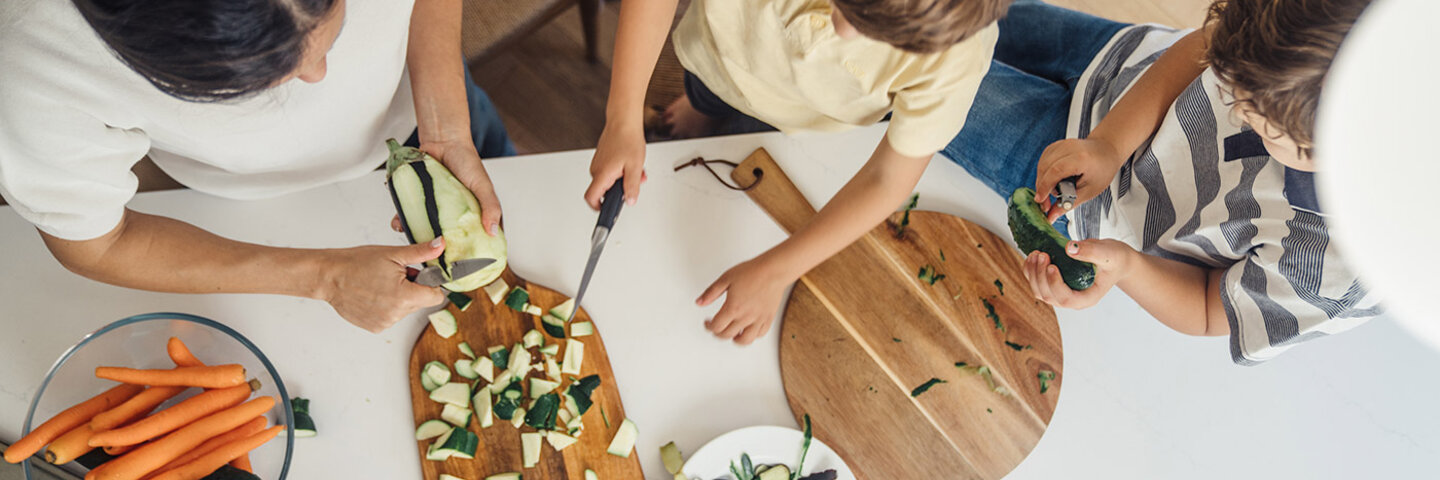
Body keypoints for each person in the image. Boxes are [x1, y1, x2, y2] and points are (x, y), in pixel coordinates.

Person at [0, 0, 513, 333]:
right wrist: (325, 277)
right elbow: (99, 243)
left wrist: (446, 129)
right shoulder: (33, 56)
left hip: (430, 108)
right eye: (275, 77)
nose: (321, 74)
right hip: (245, 203)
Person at [943, 0, 1380, 364]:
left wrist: (1127, 268)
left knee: (916, 75)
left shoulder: (1339, 270)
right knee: (946, 11)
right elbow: (1204, 47)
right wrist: (1109, 145)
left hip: (1088, 203)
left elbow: (1209, 309)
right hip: (1124, 65)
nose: (1231, 104)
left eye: (1258, 123)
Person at [588, 0, 1012, 344]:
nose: (842, 32)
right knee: (704, 94)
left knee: (745, 138)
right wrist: (622, 117)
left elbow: (889, 178)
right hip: (718, 56)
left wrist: (778, 271)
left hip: (808, 123)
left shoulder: (959, 55)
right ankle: (697, 109)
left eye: (874, 32)